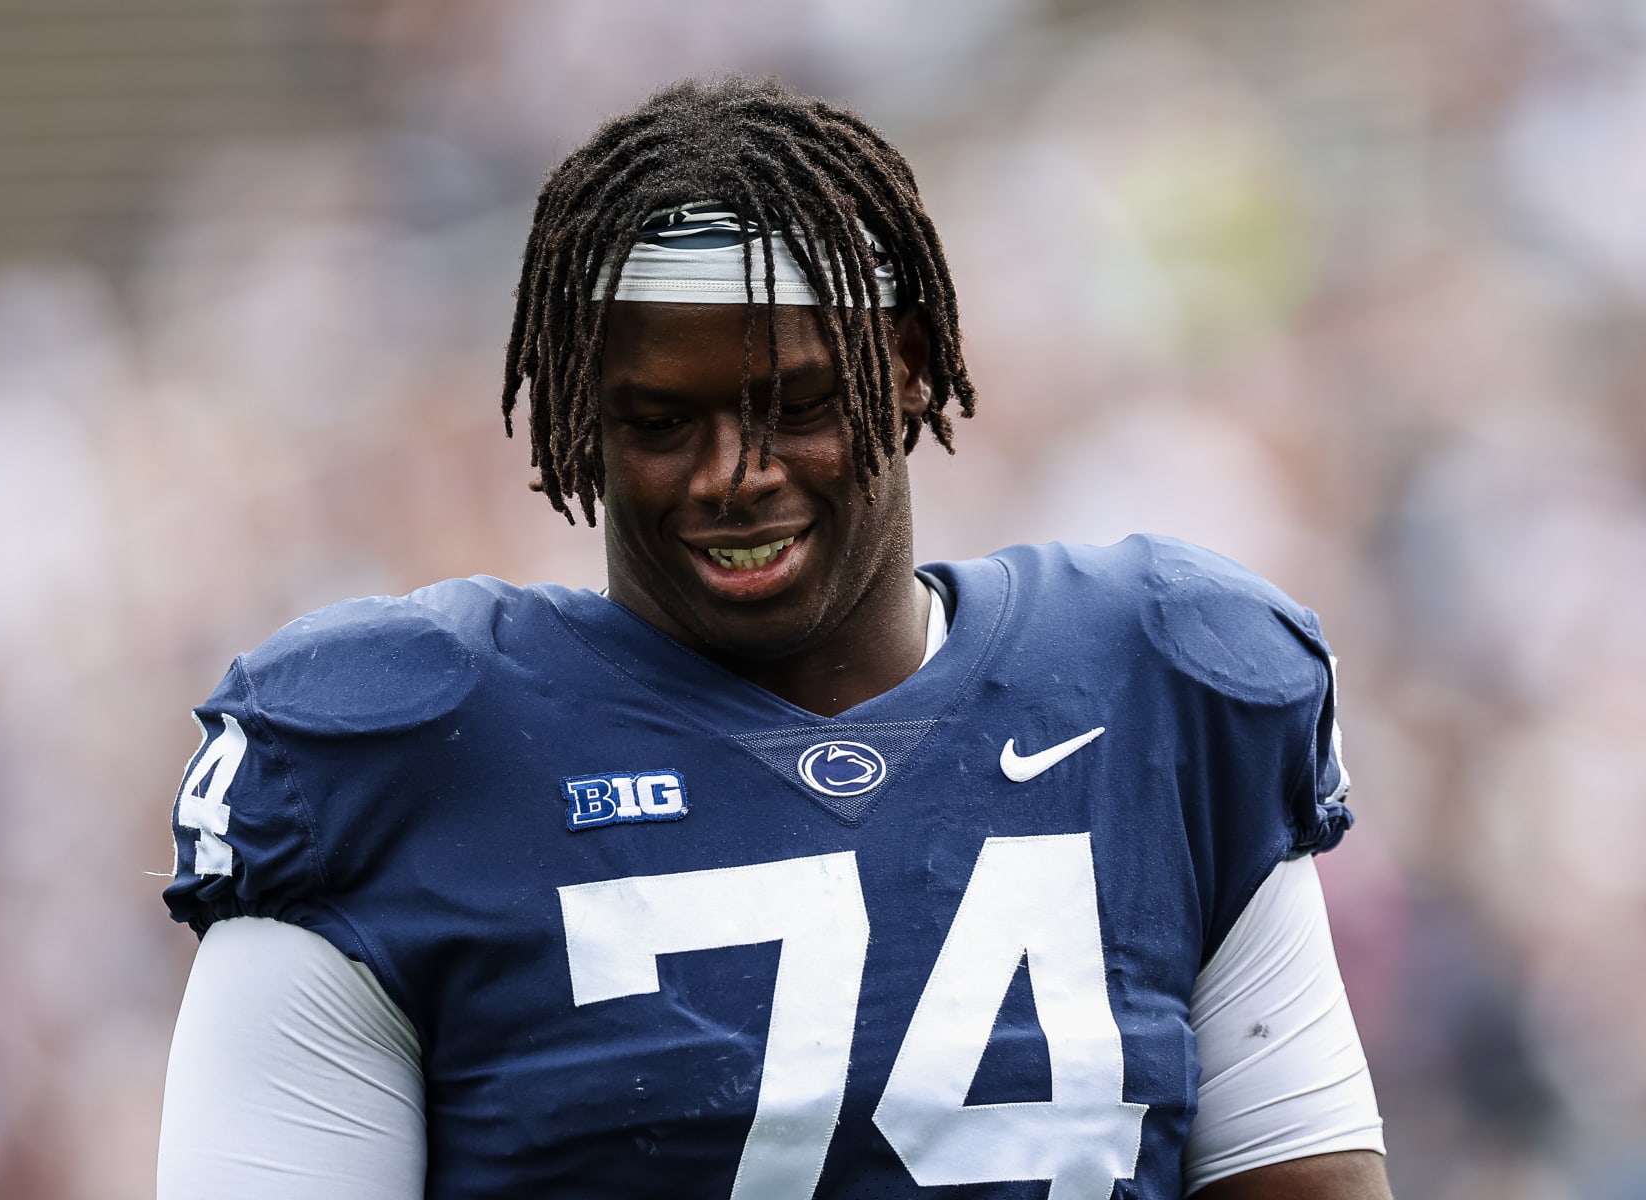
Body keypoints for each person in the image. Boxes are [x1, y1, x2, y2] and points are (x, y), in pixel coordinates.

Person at [157, 77, 1390, 1199]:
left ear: (907, 368)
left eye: (794, 406)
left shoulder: (1158, 688)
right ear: (580, 417)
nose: (731, 477)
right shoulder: (394, 759)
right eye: (659, 420)